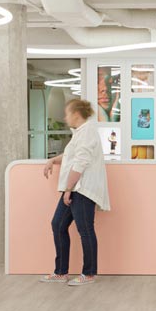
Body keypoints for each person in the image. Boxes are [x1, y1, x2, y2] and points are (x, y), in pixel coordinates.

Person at [41, 99, 110, 286]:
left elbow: (81, 163)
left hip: (82, 189)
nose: (65, 117)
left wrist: (68, 189)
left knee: (85, 230)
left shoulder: (87, 132)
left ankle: (88, 274)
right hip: (74, 188)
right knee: (58, 225)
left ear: (76, 114)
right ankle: (61, 272)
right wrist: (52, 161)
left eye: (67, 113)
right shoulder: (80, 133)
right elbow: (72, 156)